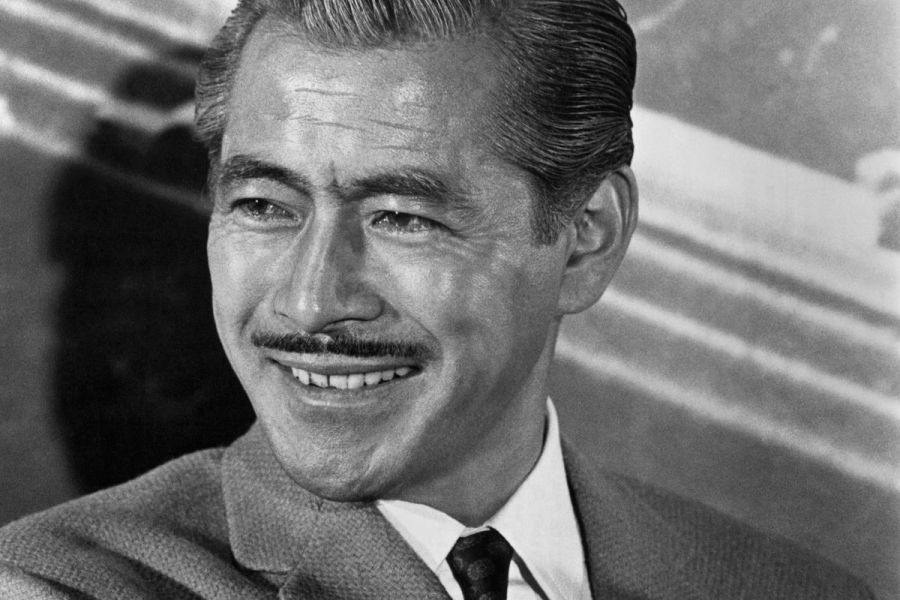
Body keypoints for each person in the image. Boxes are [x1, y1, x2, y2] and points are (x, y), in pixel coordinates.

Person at [0, 0, 877, 598]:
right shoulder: (58, 584)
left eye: (402, 217)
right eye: (263, 206)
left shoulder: (790, 589)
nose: (309, 302)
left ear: (586, 236)